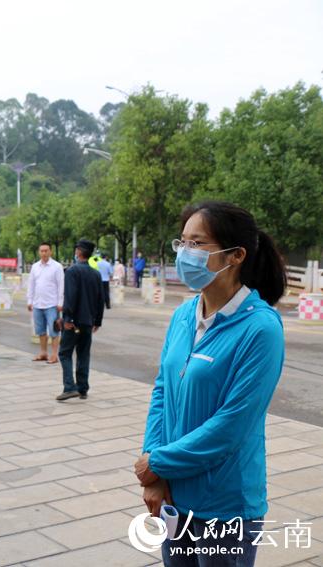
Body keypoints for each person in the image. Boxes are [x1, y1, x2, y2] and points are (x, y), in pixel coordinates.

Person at [135, 202, 286, 566]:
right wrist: (154, 471)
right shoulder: (183, 314)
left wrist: (159, 462)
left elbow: (231, 426)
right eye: (182, 242)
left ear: (235, 255)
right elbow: (162, 391)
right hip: (174, 494)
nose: (185, 253)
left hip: (226, 503)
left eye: (197, 244)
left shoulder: (261, 329)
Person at [56, 239, 104, 401]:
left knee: (64, 353)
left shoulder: (72, 271)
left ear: (78, 252)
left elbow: (70, 297)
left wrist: (67, 318)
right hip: (88, 322)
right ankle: (82, 388)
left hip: (73, 321)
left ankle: (69, 387)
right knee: (83, 354)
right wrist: (97, 321)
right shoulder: (96, 274)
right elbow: (100, 299)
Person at [26, 242, 64, 364]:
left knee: (54, 330)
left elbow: (61, 286)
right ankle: (43, 352)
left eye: (46, 250)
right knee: (40, 330)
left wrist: (60, 302)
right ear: (39, 252)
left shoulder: (57, 266)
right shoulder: (35, 267)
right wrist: (29, 300)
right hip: (37, 303)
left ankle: (54, 355)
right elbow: (31, 284)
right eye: (41, 251)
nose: (44, 253)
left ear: (50, 252)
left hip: (52, 304)